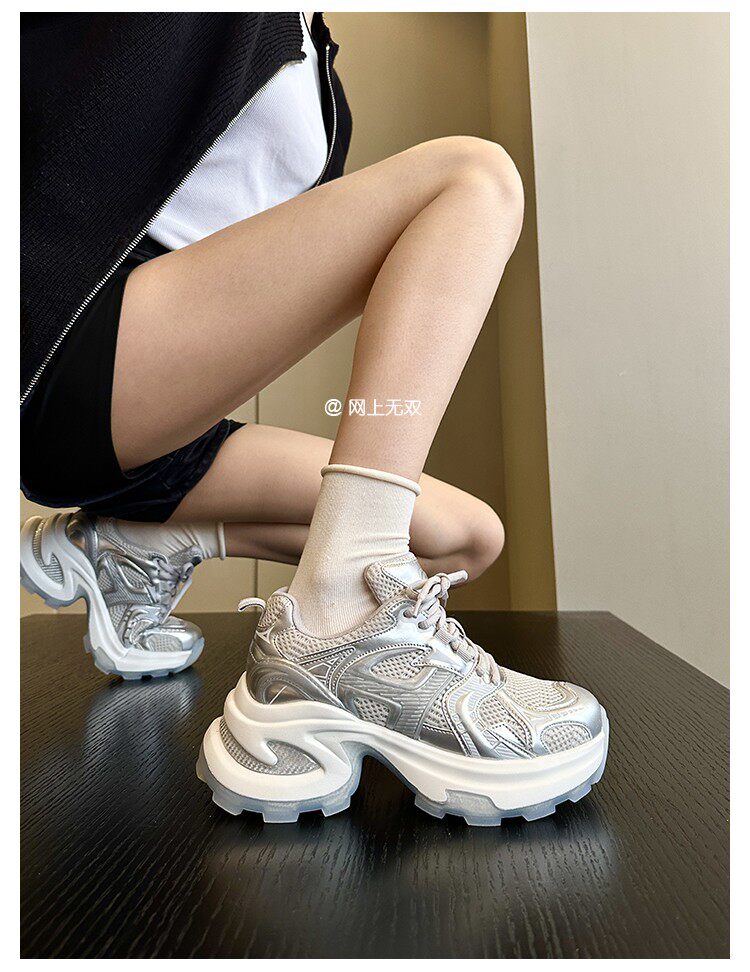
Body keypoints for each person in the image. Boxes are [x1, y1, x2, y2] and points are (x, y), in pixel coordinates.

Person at [21, 12, 607, 825]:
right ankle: (338, 627)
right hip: (70, 354)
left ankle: (130, 549)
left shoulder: (320, 73)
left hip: (164, 423)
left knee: (465, 539)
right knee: (475, 180)